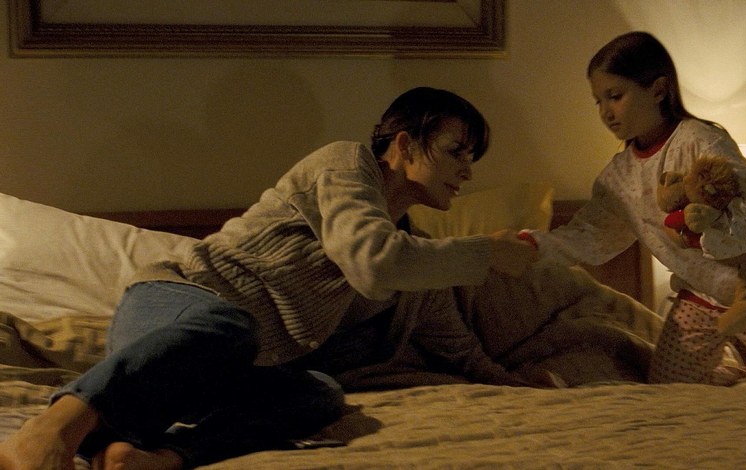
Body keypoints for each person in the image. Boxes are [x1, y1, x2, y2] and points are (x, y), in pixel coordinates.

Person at [0, 87, 551, 470]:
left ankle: (156, 457)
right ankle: (51, 429)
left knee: (320, 395)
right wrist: (486, 252)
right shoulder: (344, 165)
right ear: (404, 144)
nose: (467, 171)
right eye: (456, 151)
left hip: (235, 362)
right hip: (175, 307)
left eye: (471, 158)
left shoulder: (419, 256)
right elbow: (371, 259)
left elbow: (454, 343)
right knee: (231, 325)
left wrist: (513, 382)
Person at [523, 32, 746, 387]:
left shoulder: (700, 140)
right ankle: (740, 383)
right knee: (668, 389)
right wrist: (532, 245)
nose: (606, 112)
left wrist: (706, 237)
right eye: (598, 101)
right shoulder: (620, 176)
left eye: (615, 96)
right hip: (698, 297)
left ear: (658, 90)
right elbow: (592, 236)